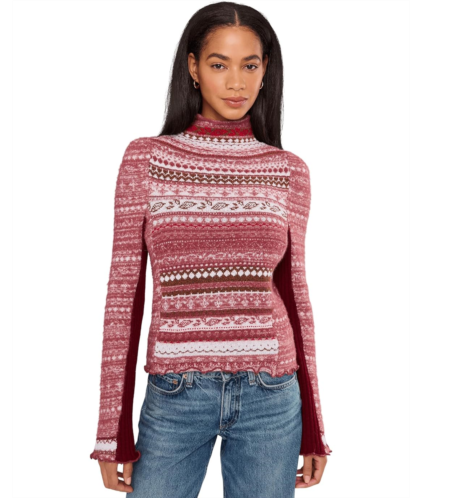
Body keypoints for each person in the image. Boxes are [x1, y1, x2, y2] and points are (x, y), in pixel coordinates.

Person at [90, 2, 332, 496]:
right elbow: (123, 294)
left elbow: (295, 295)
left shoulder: (288, 170)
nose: (236, 82)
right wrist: (111, 429)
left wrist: (315, 425)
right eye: (219, 64)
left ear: (266, 71)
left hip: (271, 395)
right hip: (175, 395)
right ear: (194, 68)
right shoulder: (147, 159)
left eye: (250, 65)